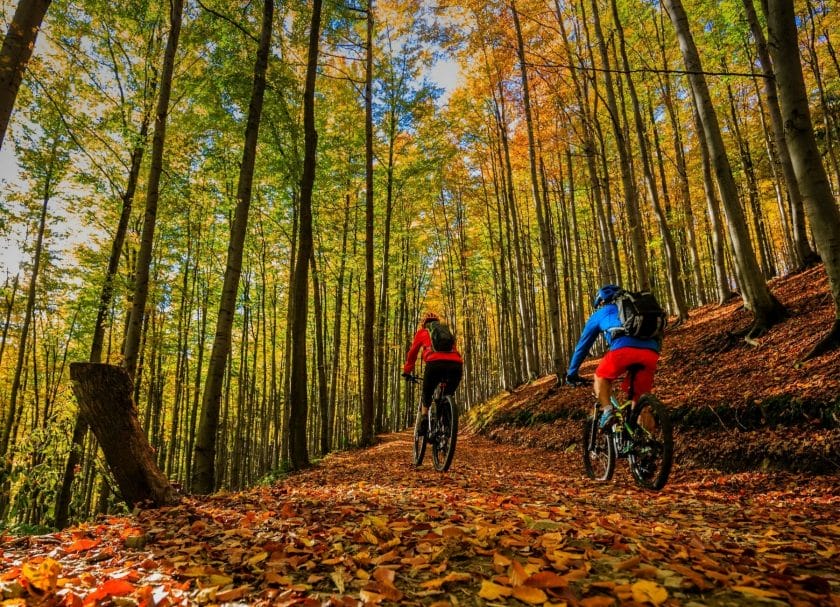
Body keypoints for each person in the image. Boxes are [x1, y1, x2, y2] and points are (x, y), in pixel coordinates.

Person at [565, 285, 661, 428]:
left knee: (600, 377)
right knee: (640, 404)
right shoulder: (635, 310)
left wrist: (572, 373)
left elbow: (582, 346)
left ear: (601, 302)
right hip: (650, 354)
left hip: (622, 351)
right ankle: (648, 445)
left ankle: (608, 412)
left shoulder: (601, 313)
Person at [402, 312, 463, 434]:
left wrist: (407, 371)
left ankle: (424, 418)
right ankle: (446, 420)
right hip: (456, 366)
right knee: (447, 393)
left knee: (427, 392)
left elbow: (413, 352)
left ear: (424, 324)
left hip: (434, 364)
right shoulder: (447, 333)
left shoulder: (423, 332)